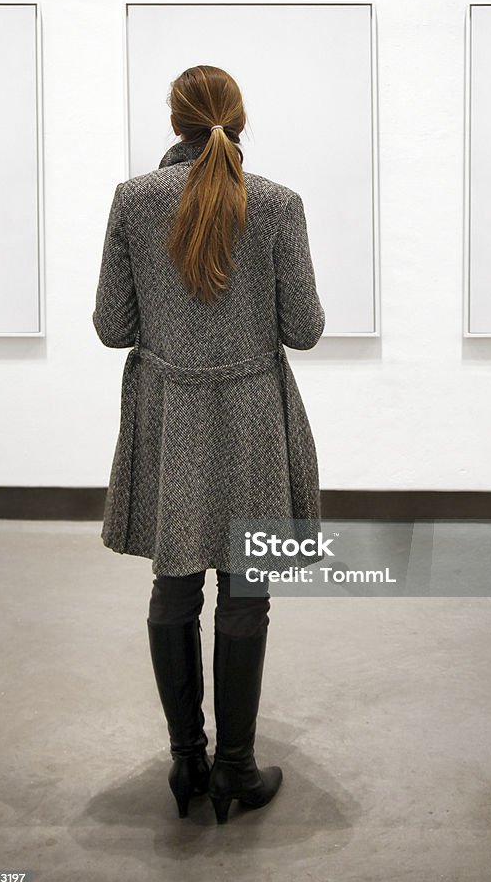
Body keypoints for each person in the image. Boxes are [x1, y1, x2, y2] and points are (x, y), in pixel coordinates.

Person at [92, 64, 325, 825]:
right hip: (254, 414)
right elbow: (305, 329)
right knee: (246, 589)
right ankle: (236, 768)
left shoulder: (134, 200)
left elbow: (112, 327)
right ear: (238, 118)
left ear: (174, 120)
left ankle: (186, 761)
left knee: (174, 583)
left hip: (172, 416)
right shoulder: (278, 204)